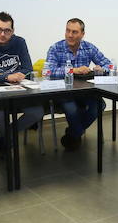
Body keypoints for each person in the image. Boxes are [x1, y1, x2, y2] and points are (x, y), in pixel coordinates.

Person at [0, 11, 43, 153]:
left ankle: (4, 140)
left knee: (37, 112)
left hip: (19, 91)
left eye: (7, 31)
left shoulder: (20, 42)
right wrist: (5, 77)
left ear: (13, 31)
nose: (2, 34)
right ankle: (8, 142)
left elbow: (27, 68)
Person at [43, 18, 112, 150]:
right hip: (63, 92)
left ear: (82, 34)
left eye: (74, 32)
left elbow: (108, 64)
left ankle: (73, 134)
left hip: (84, 91)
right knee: (71, 109)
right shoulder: (55, 48)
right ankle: (76, 134)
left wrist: (101, 69)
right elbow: (49, 72)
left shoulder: (88, 47)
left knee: (100, 105)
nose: (70, 35)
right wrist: (73, 70)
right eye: (68, 31)